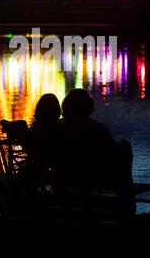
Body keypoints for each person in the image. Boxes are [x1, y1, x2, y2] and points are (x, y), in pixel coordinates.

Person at [56, 89, 135, 217]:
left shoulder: (56, 129)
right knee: (125, 148)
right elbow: (112, 154)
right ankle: (128, 206)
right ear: (88, 106)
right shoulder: (98, 130)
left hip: (63, 176)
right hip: (95, 177)